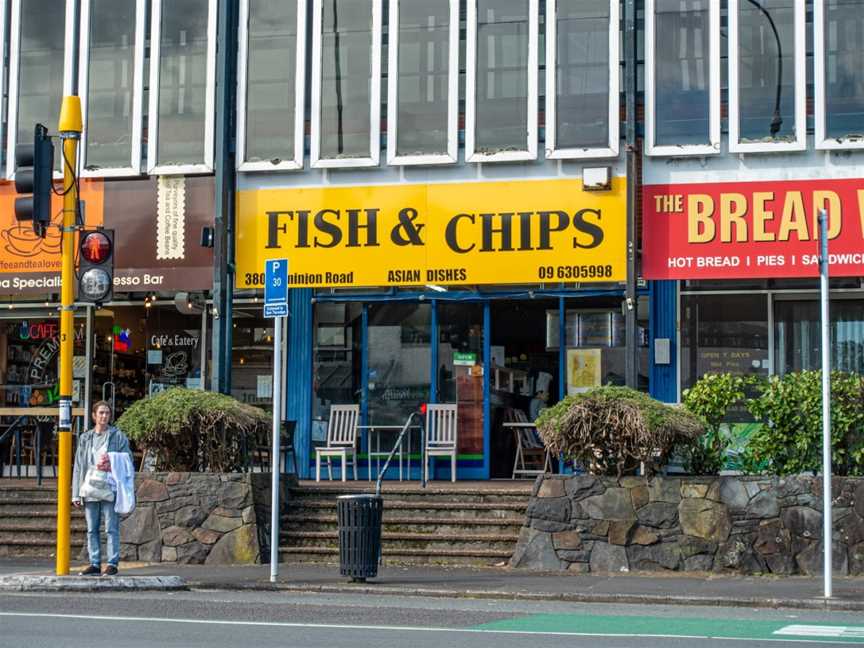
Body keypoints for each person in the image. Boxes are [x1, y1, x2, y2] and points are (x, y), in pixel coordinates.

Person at [72, 401, 132, 576]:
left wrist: (112, 461)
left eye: (107, 413)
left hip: (109, 487)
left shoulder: (118, 436)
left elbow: (127, 458)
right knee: (92, 528)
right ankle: (95, 563)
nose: (104, 416)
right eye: (101, 413)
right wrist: (75, 492)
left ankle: (112, 563)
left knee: (111, 528)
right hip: (90, 487)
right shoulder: (85, 438)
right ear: (94, 415)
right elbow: (78, 465)